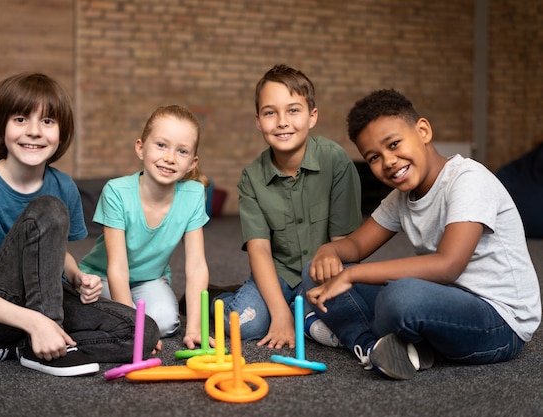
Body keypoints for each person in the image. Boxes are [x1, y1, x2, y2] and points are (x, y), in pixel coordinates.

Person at [303, 88, 541, 380]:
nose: (388, 161)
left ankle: (356, 331)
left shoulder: (468, 180)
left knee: (400, 297)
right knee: (316, 273)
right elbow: (355, 245)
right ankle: (373, 346)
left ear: (423, 131)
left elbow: (447, 265)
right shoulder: (402, 197)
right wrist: (331, 251)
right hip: (445, 301)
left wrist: (351, 276)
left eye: (394, 144)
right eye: (374, 157)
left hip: (500, 323)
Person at [0, 72, 159, 377]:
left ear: (61, 132)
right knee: (48, 209)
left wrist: (75, 275)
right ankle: (44, 339)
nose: (34, 132)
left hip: (48, 296)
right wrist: (38, 321)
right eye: (20, 119)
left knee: (142, 333)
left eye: (47, 122)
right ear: (1, 126)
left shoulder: (63, 185)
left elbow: (54, 250)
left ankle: (20, 348)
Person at [213, 64, 363, 349]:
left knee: (346, 316)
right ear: (258, 121)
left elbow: (344, 243)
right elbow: (259, 250)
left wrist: (323, 289)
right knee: (244, 325)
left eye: (293, 110)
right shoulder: (251, 178)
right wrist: (280, 314)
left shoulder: (335, 160)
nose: (282, 121)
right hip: (277, 273)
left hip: (321, 271)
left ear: (312, 116)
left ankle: (301, 310)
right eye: (270, 112)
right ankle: (219, 301)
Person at [78, 105, 212, 350]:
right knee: (88, 309)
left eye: (181, 151)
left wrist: (195, 326)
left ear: (192, 162)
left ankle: (111, 320)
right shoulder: (117, 192)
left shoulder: (194, 195)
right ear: (141, 148)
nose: (170, 158)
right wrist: (133, 329)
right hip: (103, 278)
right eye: (161, 145)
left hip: (149, 280)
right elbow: (117, 267)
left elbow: (196, 265)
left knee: (166, 322)